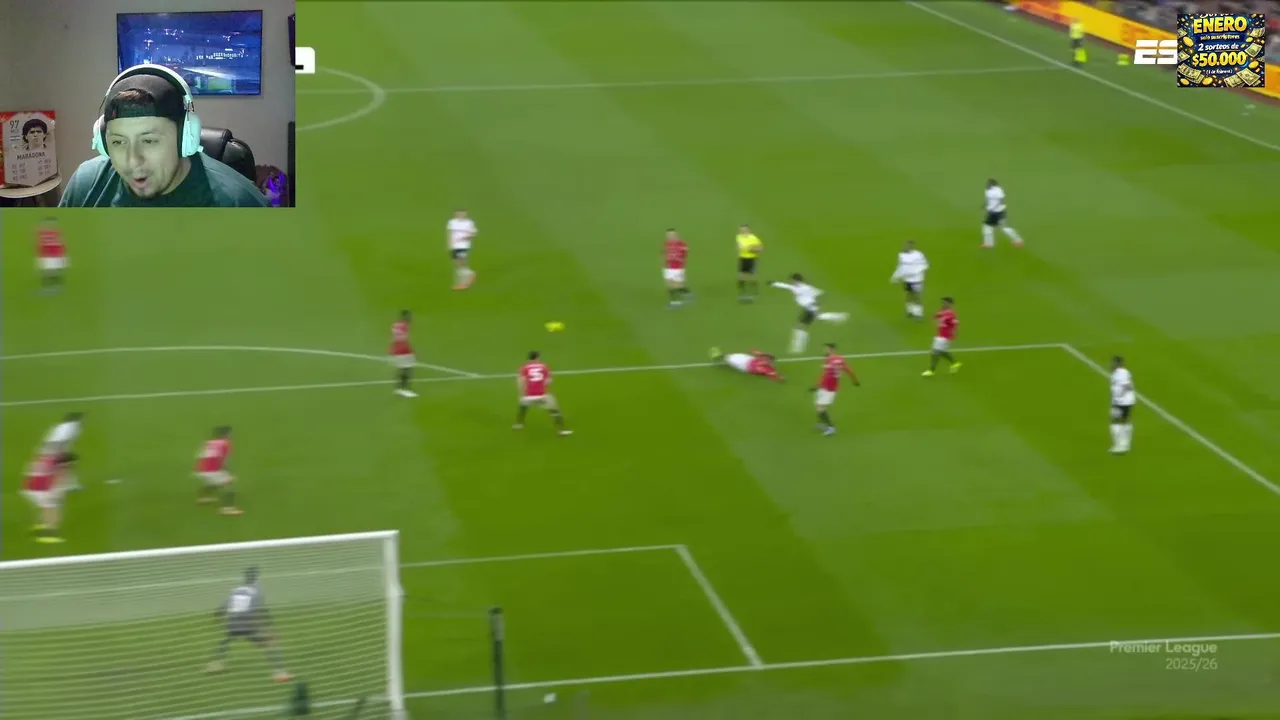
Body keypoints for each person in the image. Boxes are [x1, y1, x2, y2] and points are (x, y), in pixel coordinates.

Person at [59, 64, 266, 207]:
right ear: (103, 143)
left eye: (149, 140)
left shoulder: (240, 203)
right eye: (118, 142)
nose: (133, 161)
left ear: (184, 138)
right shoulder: (85, 186)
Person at [208, 567, 293, 682]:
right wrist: (270, 627)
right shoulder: (256, 591)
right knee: (269, 643)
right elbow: (263, 610)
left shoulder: (236, 590)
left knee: (226, 639)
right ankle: (279, 672)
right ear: (256, 578)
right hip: (248, 624)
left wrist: (218, 619)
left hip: (232, 623)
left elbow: (221, 608)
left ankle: (215, 664)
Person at [769, 273, 849, 354]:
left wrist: (817, 304)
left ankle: (798, 347)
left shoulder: (804, 288)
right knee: (817, 318)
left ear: (796, 280)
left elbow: (818, 293)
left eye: (792, 280)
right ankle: (840, 316)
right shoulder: (799, 287)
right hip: (810, 308)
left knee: (800, 326)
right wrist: (774, 283)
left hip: (811, 308)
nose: (791, 281)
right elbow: (787, 286)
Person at [24, 452, 76, 543]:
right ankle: (49, 534)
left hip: (31, 487)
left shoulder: (47, 459)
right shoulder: (60, 467)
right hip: (42, 489)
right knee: (54, 511)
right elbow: (58, 480)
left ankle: (40, 525)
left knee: (47, 508)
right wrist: (57, 493)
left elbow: (31, 467)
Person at [515, 351, 572, 436]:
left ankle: (519, 424)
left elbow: (521, 381)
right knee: (555, 411)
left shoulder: (524, 368)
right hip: (542, 394)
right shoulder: (544, 366)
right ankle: (561, 430)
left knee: (523, 407)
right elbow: (549, 381)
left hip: (528, 395)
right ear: (537, 357)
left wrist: (521, 394)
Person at [811, 344, 860, 436]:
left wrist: (816, 386)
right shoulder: (840, 359)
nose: (825, 351)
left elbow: (826, 375)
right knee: (818, 406)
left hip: (828, 389)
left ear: (832, 350)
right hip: (827, 387)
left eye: (826, 349)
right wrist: (855, 381)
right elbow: (848, 370)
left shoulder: (829, 360)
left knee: (820, 409)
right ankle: (824, 424)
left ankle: (831, 428)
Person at [195, 426, 242, 515]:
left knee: (212, 482)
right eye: (230, 434)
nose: (231, 435)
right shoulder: (225, 443)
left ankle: (203, 499)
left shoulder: (209, 442)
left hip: (201, 469)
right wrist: (227, 471)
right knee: (229, 485)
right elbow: (224, 460)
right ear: (225, 435)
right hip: (212, 470)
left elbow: (202, 455)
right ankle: (227, 509)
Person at [40, 411, 83, 491]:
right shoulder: (73, 427)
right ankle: (63, 485)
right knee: (64, 466)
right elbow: (63, 440)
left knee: (66, 465)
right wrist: (61, 453)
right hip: (56, 447)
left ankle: (69, 484)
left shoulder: (60, 426)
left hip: (50, 447)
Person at [889, 240, 929, 319]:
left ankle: (919, 314)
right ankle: (910, 311)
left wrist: (914, 272)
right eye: (907, 245)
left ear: (913, 246)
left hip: (917, 279)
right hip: (907, 279)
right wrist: (895, 276)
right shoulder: (901, 255)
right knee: (909, 295)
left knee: (916, 295)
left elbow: (925, 265)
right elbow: (900, 266)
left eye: (910, 245)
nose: (908, 247)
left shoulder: (918, 255)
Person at [981, 178, 1025, 249]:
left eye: (989, 183)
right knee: (987, 227)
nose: (987, 184)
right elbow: (988, 199)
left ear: (993, 184)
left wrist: (994, 207)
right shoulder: (987, 190)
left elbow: (1001, 201)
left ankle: (1018, 241)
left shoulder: (998, 190)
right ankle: (989, 244)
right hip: (992, 213)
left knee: (1005, 228)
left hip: (999, 213)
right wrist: (985, 205)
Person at [923, 297, 961, 377]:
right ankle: (954, 363)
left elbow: (955, 324)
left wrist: (953, 334)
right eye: (943, 302)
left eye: (945, 303)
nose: (943, 304)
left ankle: (931, 370)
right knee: (940, 351)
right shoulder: (943, 311)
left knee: (935, 352)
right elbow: (936, 316)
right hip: (940, 335)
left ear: (950, 304)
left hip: (944, 336)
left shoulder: (951, 314)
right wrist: (935, 319)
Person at [1109, 356, 1137, 454]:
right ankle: (1125, 445)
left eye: (1113, 363)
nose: (1111, 365)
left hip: (1122, 401)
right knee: (1124, 420)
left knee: (1115, 421)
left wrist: (1118, 397)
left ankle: (1119, 446)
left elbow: (1127, 386)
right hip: (1126, 401)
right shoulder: (1120, 372)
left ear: (1117, 363)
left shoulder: (1121, 373)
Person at [710, 348, 784, 382]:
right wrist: (760, 353)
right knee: (734, 356)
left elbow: (774, 376)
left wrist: (780, 378)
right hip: (748, 359)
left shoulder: (769, 368)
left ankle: (721, 357)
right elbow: (751, 350)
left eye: (769, 359)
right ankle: (721, 356)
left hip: (745, 366)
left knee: (732, 360)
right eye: (767, 358)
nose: (767, 359)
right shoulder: (762, 356)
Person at [447, 209, 478, 290]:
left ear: (465, 214)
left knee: (462, 263)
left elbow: (473, 234)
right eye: (458, 213)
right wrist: (449, 243)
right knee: (456, 263)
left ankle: (464, 282)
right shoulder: (452, 222)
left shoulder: (469, 223)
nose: (460, 215)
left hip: (463, 246)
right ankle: (469, 275)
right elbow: (450, 233)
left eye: (462, 213)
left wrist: (463, 238)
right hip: (454, 246)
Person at [389, 310, 417, 398]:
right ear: (405, 317)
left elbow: (394, 338)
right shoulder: (404, 326)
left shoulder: (395, 325)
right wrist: (410, 350)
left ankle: (399, 389)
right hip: (403, 350)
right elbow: (403, 339)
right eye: (409, 316)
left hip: (397, 349)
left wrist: (392, 349)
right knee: (407, 369)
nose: (411, 318)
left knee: (403, 368)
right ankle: (403, 389)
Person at [35, 218, 67, 293]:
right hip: (45, 254)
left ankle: (56, 286)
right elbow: (40, 243)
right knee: (45, 271)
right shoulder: (42, 233)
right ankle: (48, 286)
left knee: (53, 271)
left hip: (55, 254)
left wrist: (61, 253)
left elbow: (61, 243)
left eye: (52, 223)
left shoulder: (56, 232)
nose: (49, 225)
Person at [663, 228, 692, 308]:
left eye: (671, 234)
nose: (670, 236)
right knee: (670, 285)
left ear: (676, 234)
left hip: (678, 268)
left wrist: (681, 263)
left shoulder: (681, 244)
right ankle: (687, 293)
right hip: (668, 267)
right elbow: (666, 253)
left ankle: (676, 302)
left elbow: (685, 254)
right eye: (668, 235)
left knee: (676, 286)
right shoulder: (667, 243)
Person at [735, 224, 763, 302]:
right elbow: (738, 245)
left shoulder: (753, 238)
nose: (742, 231)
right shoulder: (738, 236)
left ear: (748, 230)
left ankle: (754, 288)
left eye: (744, 229)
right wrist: (738, 247)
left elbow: (760, 249)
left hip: (751, 258)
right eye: (741, 230)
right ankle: (741, 288)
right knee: (741, 273)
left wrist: (749, 248)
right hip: (742, 258)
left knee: (752, 275)